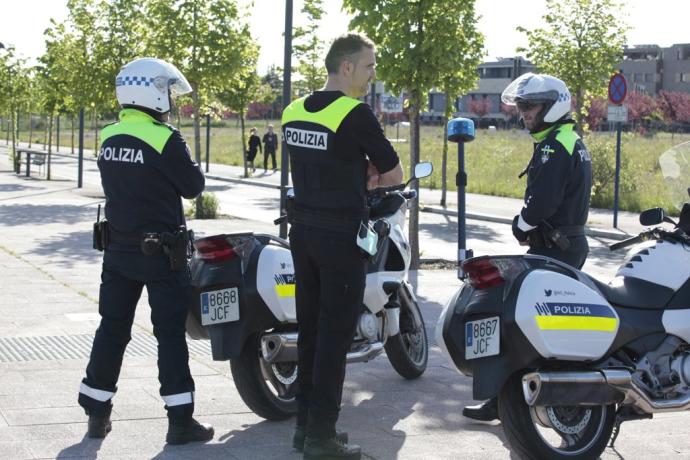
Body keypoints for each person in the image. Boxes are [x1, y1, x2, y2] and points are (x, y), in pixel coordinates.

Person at [78, 57, 214, 445]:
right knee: (170, 334)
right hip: (162, 255)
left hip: (117, 252)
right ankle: (180, 421)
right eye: (166, 90)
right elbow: (193, 186)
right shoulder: (164, 138)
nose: (170, 98)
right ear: (150, 91)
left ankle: (96, 412)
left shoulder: (108, 136)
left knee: (112, 329)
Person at [282, 33, 403, 460]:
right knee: (335, 337)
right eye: (369, 67)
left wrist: (355, 169)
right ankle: (322, 439)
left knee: (311, 331)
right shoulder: (356, 114)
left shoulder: (293, 111)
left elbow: (319, 163)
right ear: (347, 66)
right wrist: (367, 173)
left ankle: (304, 427)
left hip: (303, 233)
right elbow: (394, 174)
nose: (373, 75)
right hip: (340, 237)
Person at [462, 72, 592, 422]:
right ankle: (509, 401)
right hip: (561, 243)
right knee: (533, 324)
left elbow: (543, 202)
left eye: (530, 106)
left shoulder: (554, 145)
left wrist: (521, 223)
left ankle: (507, 401)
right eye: (521, 106)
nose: (524, 113)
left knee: (517, 323)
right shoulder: (567, 139)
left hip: (555, 247)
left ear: (552, 106)